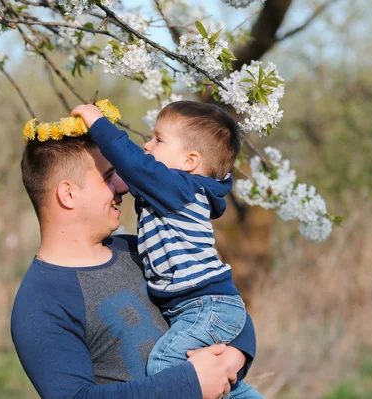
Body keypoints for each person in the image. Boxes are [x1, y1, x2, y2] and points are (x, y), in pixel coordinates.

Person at [11, 132, 257, 399]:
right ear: (68, 194)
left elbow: (218, 303)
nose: (123, 185)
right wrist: (190, 384)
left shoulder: (138, 249)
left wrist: (236, 354)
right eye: (107, 177)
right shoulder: (40, 303)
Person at [72, 100, 263, 398]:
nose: (148, 145)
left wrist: (98, 124)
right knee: (225, 383)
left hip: (204, 305)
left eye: (159, 139)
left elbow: (135, 165)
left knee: (166, 366)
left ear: (190, 161)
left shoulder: (179, 189)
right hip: (199, 306)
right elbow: (131, 177)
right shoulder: (171, 192)